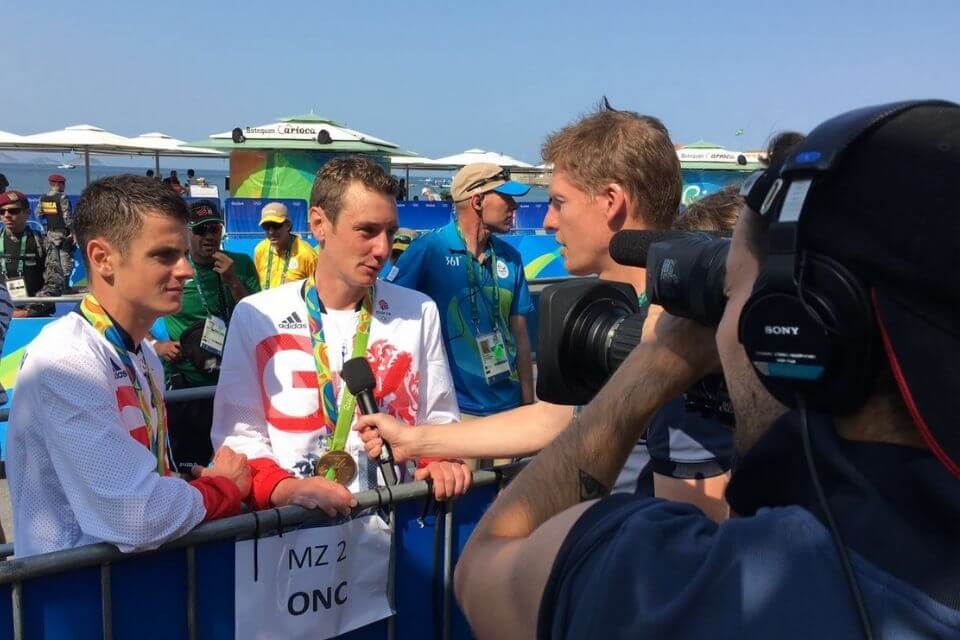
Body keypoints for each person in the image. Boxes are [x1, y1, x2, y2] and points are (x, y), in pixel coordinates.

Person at [454, 101, 960, 638]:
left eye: (730, 292)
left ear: (794, 328)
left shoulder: (718, 585)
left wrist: (652, 368)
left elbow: (482, 570)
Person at [361, 103, 734, 511]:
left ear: (611, 201)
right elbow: (552, 419)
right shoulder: (611, 318)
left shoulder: (680, 334)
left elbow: (690, 531)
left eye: (559, 202)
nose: (550, 221)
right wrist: (414, 439)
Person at [6, 175, 251, 558]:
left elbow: (143, 481)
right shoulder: (65, 359)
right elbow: (136, 515)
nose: (186, 270)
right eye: (165, 256)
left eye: (183, 254)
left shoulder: (142, 354)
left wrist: (184, 480)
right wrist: (223, 488)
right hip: (73, 587)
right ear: (102, 259)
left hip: (130, 578)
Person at [211, 157, 470, 516]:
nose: (383, 249)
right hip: (293, 531)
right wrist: (285, 488)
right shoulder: (257, 315)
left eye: (390, 232)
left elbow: (439, 416)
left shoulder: (418, 310)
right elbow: (238, 436)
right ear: (319, 223)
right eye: (367, 231)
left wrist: (440, 460)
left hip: (391, 528)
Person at [386, 163, 535, 418]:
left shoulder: (511, 257)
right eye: (506, 197)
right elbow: (388, 312)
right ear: (477, 201)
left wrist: (528, 406)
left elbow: (520, 335)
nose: (515, 206)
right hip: (453, 412)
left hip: (509, 409)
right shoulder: (430, 249)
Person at [154, 200, 259, 471]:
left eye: (214, 228)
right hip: (188, 380)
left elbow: (257, 317)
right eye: (201, 230)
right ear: (188, 233)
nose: (209, 236)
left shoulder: (241, 264)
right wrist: (155, 345)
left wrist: (233, 281)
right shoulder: (175, 268)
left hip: (232, 376)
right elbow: (136, 310)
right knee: (190, 465)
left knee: (237, 460)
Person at [0, 190, 63, 317]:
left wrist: (28, 311)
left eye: (13, 211)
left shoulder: (43, 242)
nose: (6, 215)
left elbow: (55, 281)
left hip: (35, 317)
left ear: (27, 213)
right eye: (2, 211)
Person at [252, 202, 317, 290]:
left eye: (276, 225)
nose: (271, 232)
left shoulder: (306, 253)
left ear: (288, 225)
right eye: (266, 226)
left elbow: (319, 289)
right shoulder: (260, 250)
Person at [37, 173, 74, 289]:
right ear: (58, 184)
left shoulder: (43, 197)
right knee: (65, 259)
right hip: (63, 234)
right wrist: (73, 232)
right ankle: (65, 287)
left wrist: (51, 215)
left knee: (53, 260)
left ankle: (54, 286)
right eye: (63, 184)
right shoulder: (62, 197)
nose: (64, 186)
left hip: (50, 233)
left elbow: (39, 213)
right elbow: (67, 218)